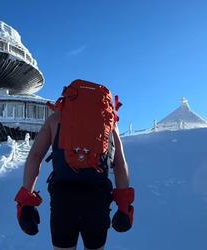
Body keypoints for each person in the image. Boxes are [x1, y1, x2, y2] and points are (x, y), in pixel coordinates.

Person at [14, 81, 135, 250]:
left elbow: (35, 157)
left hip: (63, 200)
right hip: (97, 200)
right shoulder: (109, 123)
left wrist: (25, 202)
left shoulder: (56, 118)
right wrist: (124, 206)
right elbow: (120, 164)